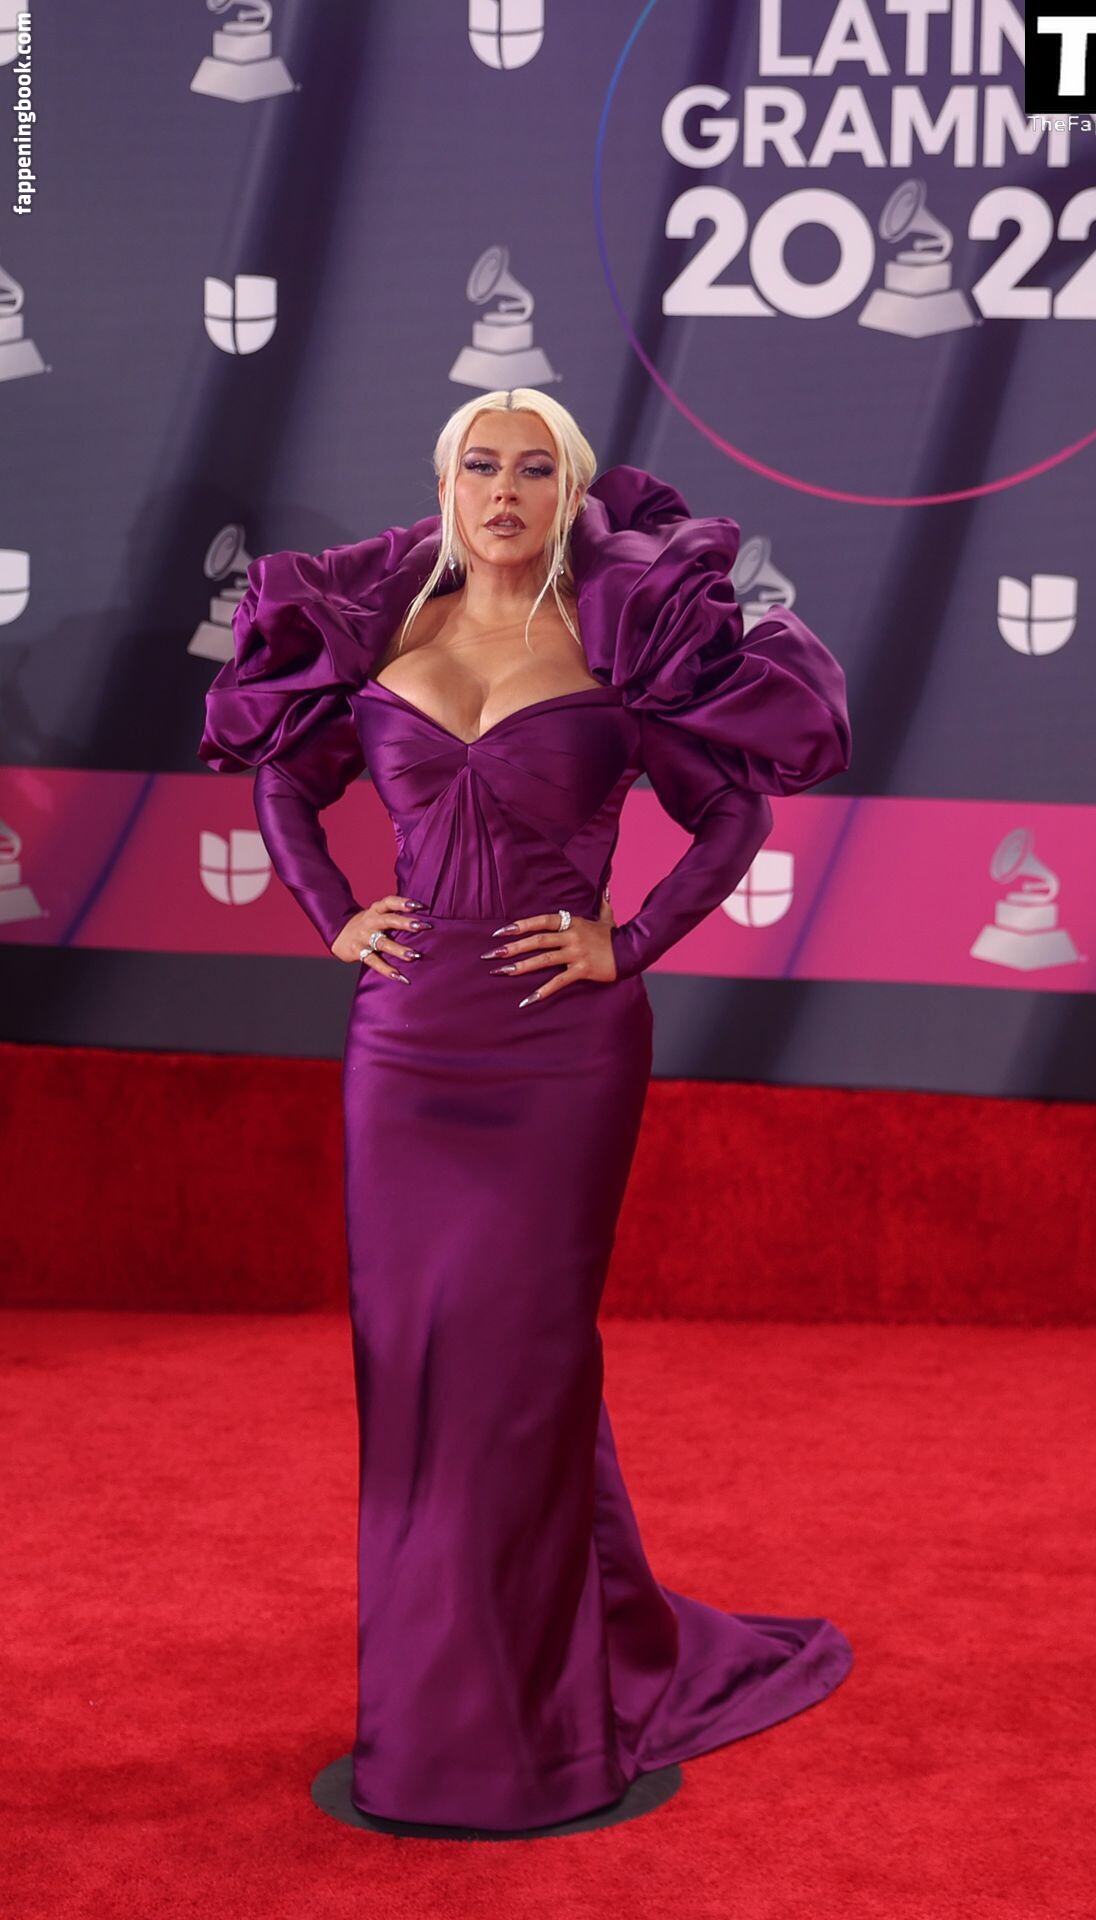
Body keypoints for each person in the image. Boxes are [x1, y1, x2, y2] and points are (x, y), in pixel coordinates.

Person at [199, 387, 854, 1831]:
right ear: (445, 488)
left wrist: (633, 938)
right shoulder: (388, 638)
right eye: (481, 465)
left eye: (535, 468)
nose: (505, 489)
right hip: (406, 1046)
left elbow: (735, 809)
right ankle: (454, 1708)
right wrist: (330, 912)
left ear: (571, 494)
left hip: (562, 1050)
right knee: (420, 1367)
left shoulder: (613, 648)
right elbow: (283, 781)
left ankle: (537, 1733)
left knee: (526, 1363)